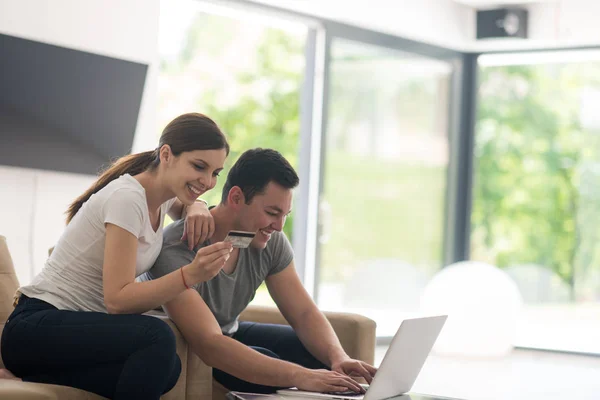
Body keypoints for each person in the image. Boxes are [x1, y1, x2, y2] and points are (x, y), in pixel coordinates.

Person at [0, 113, 234, 400]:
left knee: (168, 367)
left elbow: (185, 202)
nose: (208, 180)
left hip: (73, 335)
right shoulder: (127, 198)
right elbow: (118, 300)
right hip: (36, 327)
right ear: (166, 154)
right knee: (156, 337)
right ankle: (29, 370)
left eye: (215, 173)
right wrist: (190, 275)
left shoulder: (164, 195)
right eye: (199, 166)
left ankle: (29, 377)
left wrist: (197, 206)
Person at [146, 148, 377, 394]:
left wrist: (338, 357)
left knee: (319, 358)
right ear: (236, 198)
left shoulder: (269, 240)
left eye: (285, 215)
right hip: (197, 345)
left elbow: (303, 313)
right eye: (271, 213)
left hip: (230, 331)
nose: (278, 226)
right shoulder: (175, 249)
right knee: (280, 366)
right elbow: (210, 343)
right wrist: (300, 375)